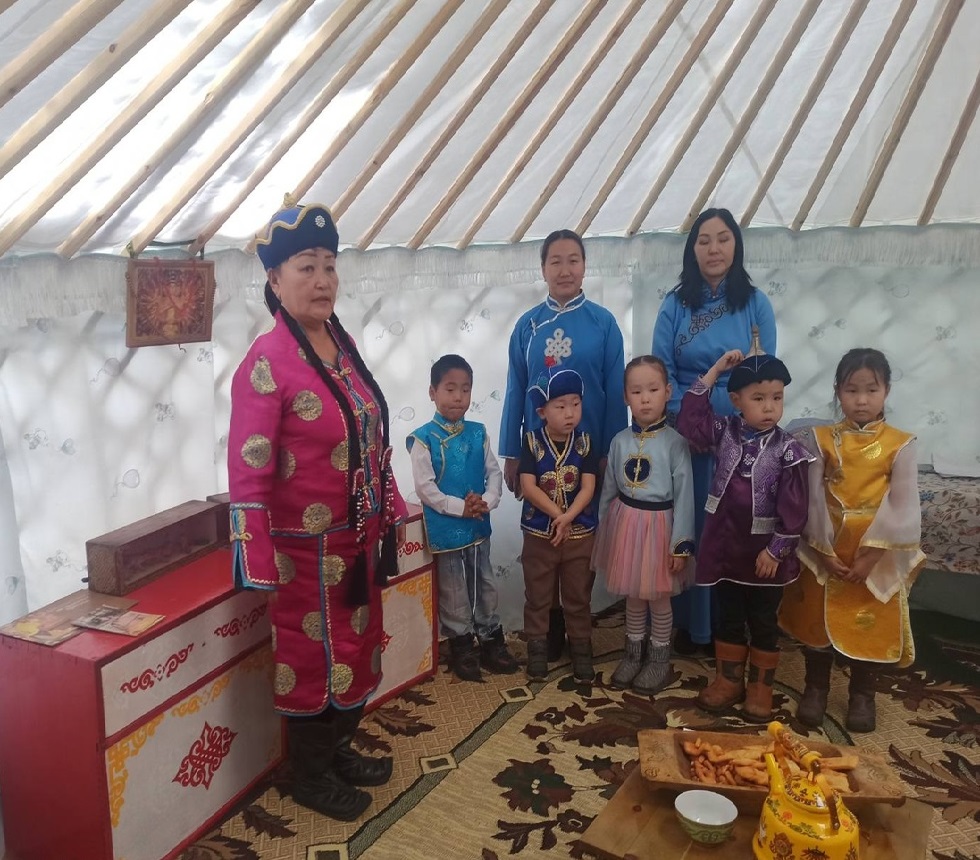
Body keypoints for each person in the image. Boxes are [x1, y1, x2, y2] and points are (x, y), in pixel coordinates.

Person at [227, 200, 408, 822]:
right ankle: (309, 775)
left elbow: (370, 433)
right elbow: (248, 465)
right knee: (313, 660)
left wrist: (388, 505)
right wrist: (254, 553)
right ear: (275, 280)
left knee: (357, 649)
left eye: (330, 265)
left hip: (356, 538)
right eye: (307, 267)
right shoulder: (266, 362)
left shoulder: (340, 343)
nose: (323, 279)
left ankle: (337, 752)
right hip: (301, 554)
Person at [779, 349, 926, 732]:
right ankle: (816, 688)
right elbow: (812, 497)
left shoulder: (901, 444)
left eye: (871, 390)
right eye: (851, 390)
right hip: (826, 547)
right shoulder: (820, 439)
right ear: (838, 391)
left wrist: (871, 557)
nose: (861, 400)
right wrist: (823, 551)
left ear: (886, 390)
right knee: (817, 621)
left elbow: (902, 505)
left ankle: (862, 693)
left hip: (873, 551)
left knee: (868, 623)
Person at [652, 208, 777, 656]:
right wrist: (685, 419)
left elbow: (764, 374)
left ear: (736, 245)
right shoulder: (674, 304)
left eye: (723, 238)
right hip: (687, 428)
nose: (714, 249)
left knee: (729, 526)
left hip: (740, 431)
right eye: (704, 240)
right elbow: (662, 370)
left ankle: (729, 627)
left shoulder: (755, 303)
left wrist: (743, 420)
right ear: (692, 249)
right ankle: (688, 625)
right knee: (688, 523)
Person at [500, 229, 627, 659]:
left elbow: (614, 392)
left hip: (587, 457)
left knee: (578, 540)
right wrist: (512, 452)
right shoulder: (527, 326)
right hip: (538, 457)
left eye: (573, 259)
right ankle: (547, 628)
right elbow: (516, 389)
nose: (565, 269)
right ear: (543, 269)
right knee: (542, 543)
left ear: (585, 266)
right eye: (555, 260)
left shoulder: (603, 324)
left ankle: (576, 628)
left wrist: (611, 452)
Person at [677, 349, 812, 722]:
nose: (769, 407)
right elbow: (689, 421)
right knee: (729, 615)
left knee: (764, 620)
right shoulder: (724, 431)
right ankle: (728, 681)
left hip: (765, 556)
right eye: (758, 398)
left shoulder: (790, 451)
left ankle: (760, 688)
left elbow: (795, 509)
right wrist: (716, 369)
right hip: (725, 549)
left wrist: (776, 550)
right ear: (736, 400)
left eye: (777, 397)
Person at [407, 354, 518, 682]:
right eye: (450, 389)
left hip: (478, 522)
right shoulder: (423, 439)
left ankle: (491, 637)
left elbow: (493, 473)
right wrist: (461, 508)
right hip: (447, 527)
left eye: (465, 389)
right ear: (433, 392)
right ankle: (461, 642)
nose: (458, 397)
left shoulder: (478, 432)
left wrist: (486, 502)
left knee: (484, 581)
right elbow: (426, 488)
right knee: (454, 587)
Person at [592, 356, 695, 694]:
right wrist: (604, 530)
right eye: (636, 392)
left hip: (659, 530)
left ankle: (659, 659)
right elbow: (609, 490)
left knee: (659, 599)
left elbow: (684, 497)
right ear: (626, 397)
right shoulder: (619, 441)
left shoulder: (676, 443)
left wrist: (680, 545)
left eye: (653, 390)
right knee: (633, 597)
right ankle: (633, 654)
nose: (645, 399)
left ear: (668, 391)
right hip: (626, 528)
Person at [518, 367, 598, 683]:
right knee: (538, 593)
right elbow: (529, 487)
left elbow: (588, 487)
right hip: (540, 533)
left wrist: (568, 517)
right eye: (560, 406)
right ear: (542, 411)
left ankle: (581, 648)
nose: (570, 413)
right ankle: (538, 648)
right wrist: (557, 515)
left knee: (578, 594)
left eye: (576, 404)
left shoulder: (586, 443)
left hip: (580, 534)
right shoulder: (531, 442)